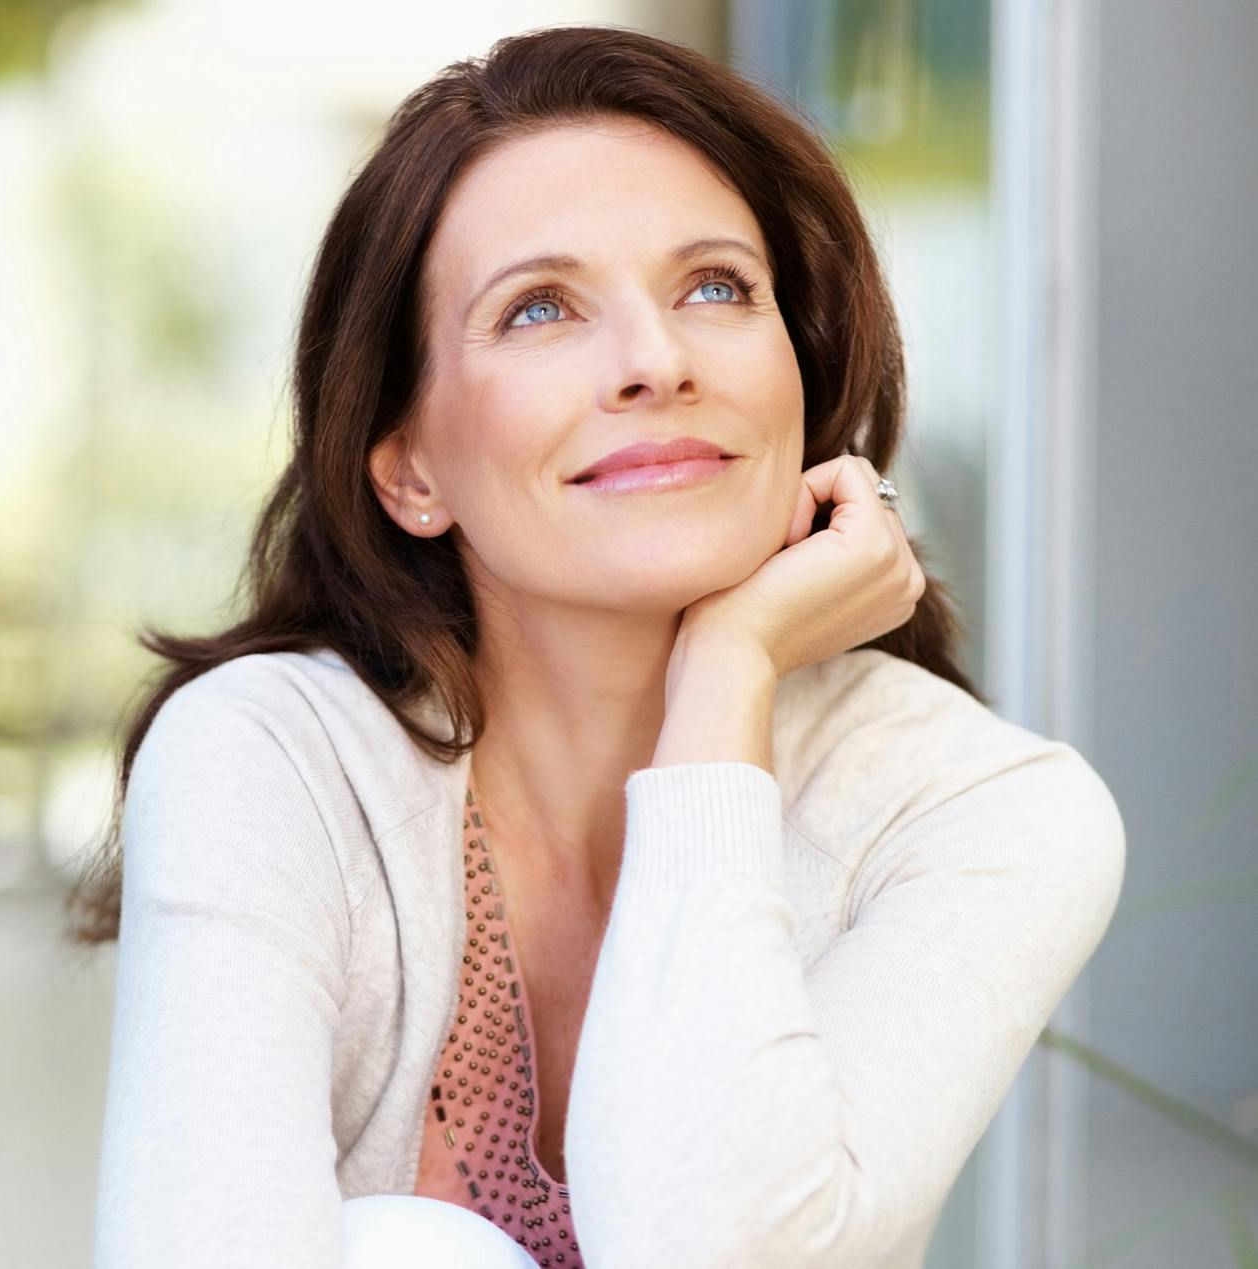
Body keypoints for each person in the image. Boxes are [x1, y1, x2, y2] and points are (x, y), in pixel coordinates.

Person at [70, 24, 1127, 1269]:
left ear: (802, 364)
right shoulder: (274, 757)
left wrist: (727, 677)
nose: (654, 361)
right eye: (536, 310)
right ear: (410, 469)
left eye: (716, 287)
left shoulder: (990, 814)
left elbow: (715, 1251)